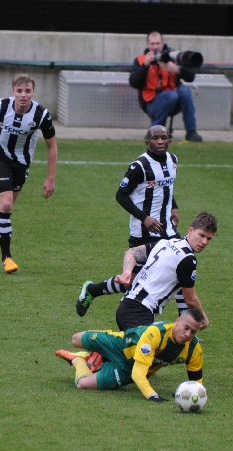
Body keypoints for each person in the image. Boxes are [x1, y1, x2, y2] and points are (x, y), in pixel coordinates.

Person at [76, 125, 181, 316]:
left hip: (168, 230)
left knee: (180, 270)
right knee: (132, 283)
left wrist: (173, 206)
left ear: (169, 141)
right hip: (144, 233)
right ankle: (93, 290)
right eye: (155, 138)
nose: (159, 142)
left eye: (163, 138)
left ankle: (185, 323)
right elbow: (121, 195)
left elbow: (166, 187)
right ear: (147, 142)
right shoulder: (139, 166)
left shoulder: (173, 160)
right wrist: (144, 218)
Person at [0, 74, 57, 273]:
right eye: (19, 91)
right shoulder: (0, 107)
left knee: (4, 210)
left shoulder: (41, 115)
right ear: (13, 92)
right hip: (0, 156)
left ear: (33, 92)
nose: (23, 95)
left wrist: (50, 177)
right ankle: (7, 258)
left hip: (22, 163)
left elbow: (52, 146)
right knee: (7, 204)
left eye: (27, 91)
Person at [55, 308, 205, 402]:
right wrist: (151, 394)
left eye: (193, 331)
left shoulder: (193, 348)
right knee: (75, 339)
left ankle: (79, 360)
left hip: (128, 370)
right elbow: (139, 373)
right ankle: (99, 354)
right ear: (177, 321)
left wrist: (190, 395)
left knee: (82, 384)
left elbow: (196, 381)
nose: (188, 334)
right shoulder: (156, 334)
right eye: (186, 328)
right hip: (119, 344)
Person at [114, 211, 215, 331]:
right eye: (202, 235)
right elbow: (190, 299)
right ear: (191, 230)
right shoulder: (187, 259)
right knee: (149, 348)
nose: (204, 242)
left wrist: (127, 271)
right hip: (138, 312)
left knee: (131, 348)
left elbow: (132, 252)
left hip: (126, 306)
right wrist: (203, 317)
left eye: (209, 239)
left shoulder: (167, 242)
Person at [129, 30, 202, 142]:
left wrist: (177, 69)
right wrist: (145, 65)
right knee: (171, 95)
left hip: (173, 100)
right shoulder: (140, 60)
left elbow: (191, 76)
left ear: (163, 43)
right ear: (147, 45)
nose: (155, 46)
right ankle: (154, 132)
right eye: (152, 44)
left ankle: (191, 132)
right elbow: (133, 83)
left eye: (158, 43)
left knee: (185, 91)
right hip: (151, 103)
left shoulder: (172, 57)